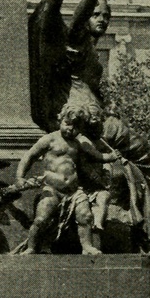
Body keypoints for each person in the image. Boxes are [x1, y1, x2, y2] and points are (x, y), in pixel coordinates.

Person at [14, 103, 121, 256]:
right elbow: (29, 157)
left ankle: (87, 246)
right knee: (41, 218)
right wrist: (19, 177)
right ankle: (32, 247)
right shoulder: (49, 140)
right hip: (51, 189)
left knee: (85, 216)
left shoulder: (80, 143)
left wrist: (111, 156)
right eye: (67, 123)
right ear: (60, 119)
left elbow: (98, 156)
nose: (71, 129)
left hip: (73, 191)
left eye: (76, 127)